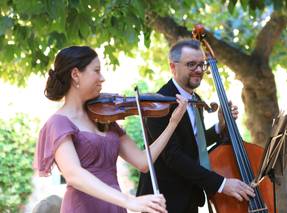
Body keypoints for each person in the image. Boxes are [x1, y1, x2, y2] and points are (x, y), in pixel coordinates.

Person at [33, 46, 188, 213]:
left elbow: (143, 162)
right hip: (83, 207)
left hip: (114, 205)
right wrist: (129, 201)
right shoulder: (58, 123)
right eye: (96, 71)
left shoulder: (104, 118)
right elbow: (74, 175)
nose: (102, 78)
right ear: (75, 74)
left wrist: (172, 123)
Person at [136, 39, 255, 213]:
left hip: (189, 199)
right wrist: (222, 184)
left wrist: (219, 127)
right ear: (173, 67)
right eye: (191, 64)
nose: (199, 70)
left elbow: (194, 145)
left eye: (202, 65)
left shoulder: (195, 100)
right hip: (164, 201)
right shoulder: (159, 104)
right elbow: (173, 155)